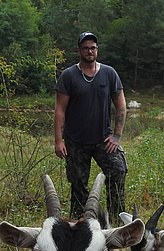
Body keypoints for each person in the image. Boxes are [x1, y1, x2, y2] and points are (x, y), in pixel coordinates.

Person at [54, 31, 127, 221]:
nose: (90, 51)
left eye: (93, 47)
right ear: (79, 50)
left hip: (103, 139)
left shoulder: (109, 73)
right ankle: (80, 223)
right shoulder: (69, 75)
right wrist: (58, 141)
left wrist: (116, 137)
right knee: (78, 184)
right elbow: (60, 110)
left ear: (97, 50)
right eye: (85, 48)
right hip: (75, 141)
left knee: (118, 170)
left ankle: (117, 220)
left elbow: (121, 106)